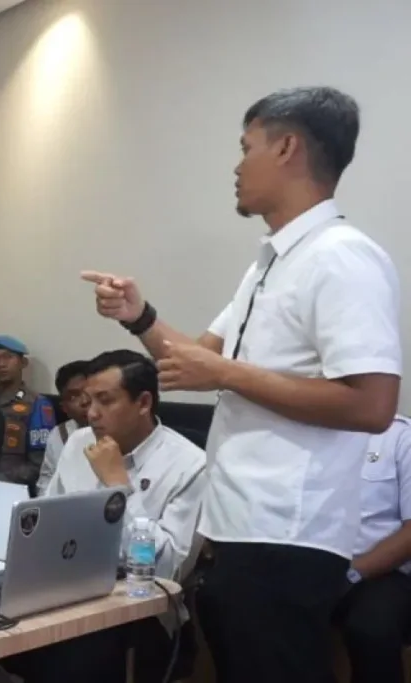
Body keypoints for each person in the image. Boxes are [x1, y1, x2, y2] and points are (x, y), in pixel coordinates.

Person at [81, 87, 400, 683]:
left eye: (245, 147)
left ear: (287, 147)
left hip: (288, 534)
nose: (236, 166)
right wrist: (138, 316)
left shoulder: (342, 256)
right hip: (236, 527)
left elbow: (374, 403)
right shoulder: (268, 266)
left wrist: (226, 374)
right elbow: (196, 360)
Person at [6, 350, 206, 683]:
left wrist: (118, 488)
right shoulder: (78, 443)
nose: (91, 413)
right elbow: (47, 518)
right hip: (63, 588)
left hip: (138, 609)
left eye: (105, 400)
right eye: (88, 401)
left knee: (68, 663)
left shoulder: (190, 465)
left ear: (143, 402)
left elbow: (167, 571)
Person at [334, 416, 411, 683]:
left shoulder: (400, 437)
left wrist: (351, 574)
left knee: (371, 626)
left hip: (384, 572)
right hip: (314, 565)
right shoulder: (307, 435)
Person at [0, 335, 56, 489]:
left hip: (14, 488)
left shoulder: (37, 404)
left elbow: (40, 465)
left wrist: (0, 480)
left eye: (8, 357)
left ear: (23, 363)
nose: (1, 364)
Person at [37, 360, 89, 492]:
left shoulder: (118, 430)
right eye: (74, 397)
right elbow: (46, 479)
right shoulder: (58, 434)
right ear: (64, 408)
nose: (84, 401)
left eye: (88, 392)